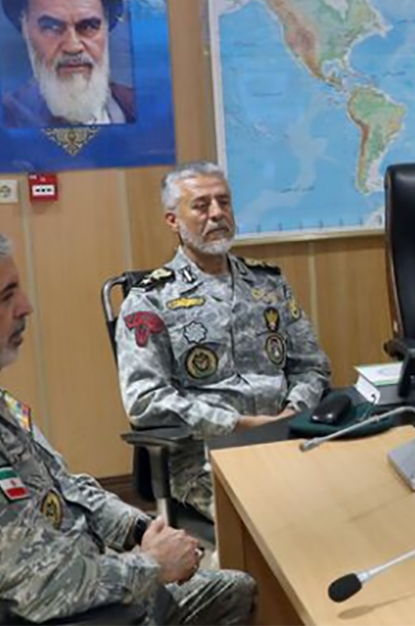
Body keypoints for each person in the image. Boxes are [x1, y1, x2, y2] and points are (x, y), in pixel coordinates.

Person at [0, 226, 253, 624]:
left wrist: (138, 528)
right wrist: (153, 565)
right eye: (6, 295)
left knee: (237, 588)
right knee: (236, 594)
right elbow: (43, 586)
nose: (25, 307)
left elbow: (62, 486)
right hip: (49, 614)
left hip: (74, 591)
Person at [117, 163, 330, 519]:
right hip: (205, 457)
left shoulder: (268, 284)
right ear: (173, 220)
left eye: (224, 202)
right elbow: (144, 399)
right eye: (201, 206)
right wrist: (235, 424)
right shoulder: (150, 299)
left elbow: (312, 366)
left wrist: (293, 411)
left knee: (354, 494)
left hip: (290, 437)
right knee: (278, 515)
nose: (217, 214)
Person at [0, 0, 136, 126]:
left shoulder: (138, 108)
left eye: (88, 26)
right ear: (25, 29)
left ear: (107, 26)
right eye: (52, 27)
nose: (73, 46)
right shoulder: (1, 119)